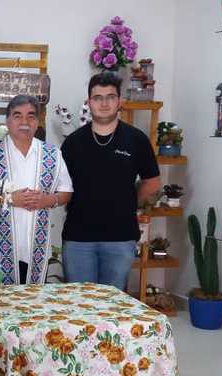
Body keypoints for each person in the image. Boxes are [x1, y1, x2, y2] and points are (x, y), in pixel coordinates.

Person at [62, 72, 161, 291]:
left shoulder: (136, 140)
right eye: (98, 97)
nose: (104, 103)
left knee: (113, 307)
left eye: (110, 97)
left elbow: (152, 182)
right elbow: (61, 188)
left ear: (120, 102)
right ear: (89, 102)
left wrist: (127, 201)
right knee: (78, 304)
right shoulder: (73, 143)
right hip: (79, 239)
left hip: (120, 237)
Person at [0, 95, 73, 285]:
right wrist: (10, 199)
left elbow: (66, 192)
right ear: (8, 121)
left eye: (31, 116)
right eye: (17, 116)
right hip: (0, 248)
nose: (24, 122)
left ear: (37, 122)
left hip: (37, 248)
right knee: (2, 305)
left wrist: (47, 200)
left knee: (34, 305)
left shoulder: (52, 154)